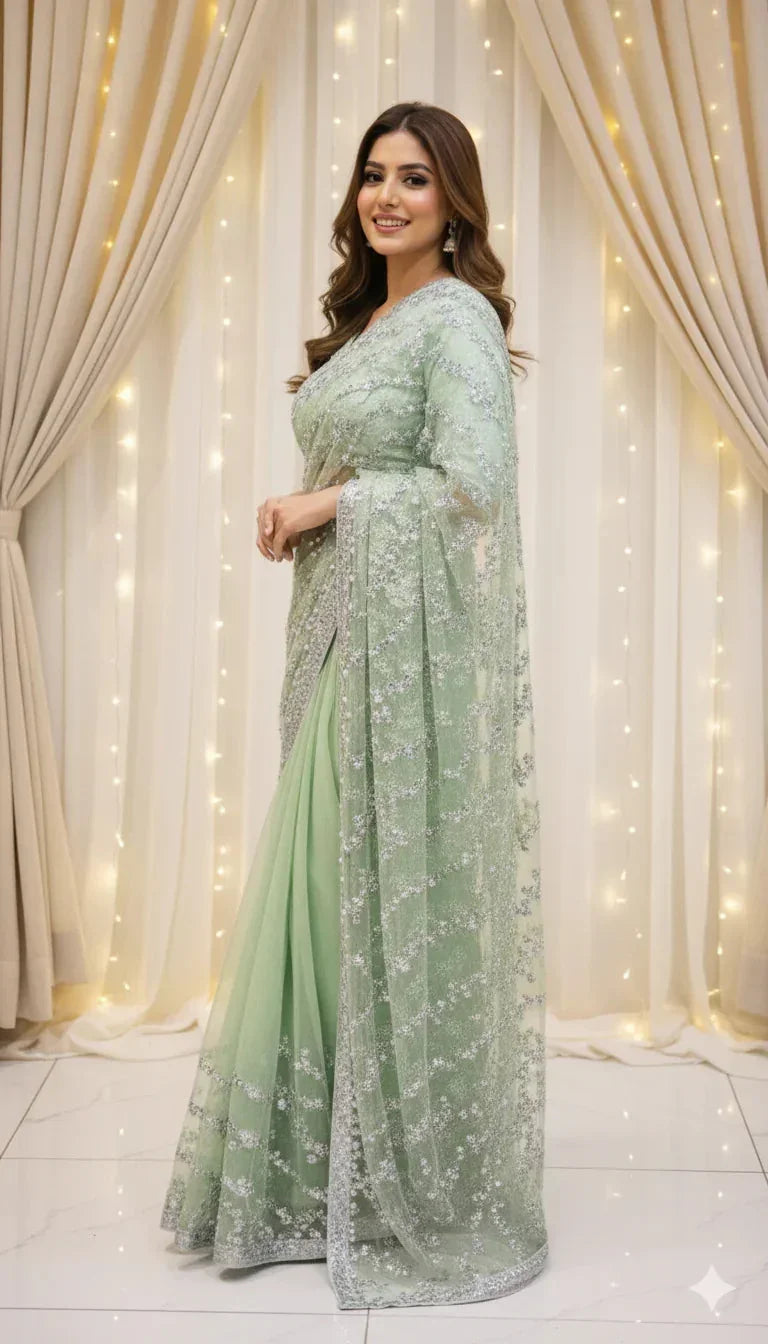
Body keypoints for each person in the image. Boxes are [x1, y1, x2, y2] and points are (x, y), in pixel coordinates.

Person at [161, 100, 548, 1311]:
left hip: (398, 659)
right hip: (337, 635)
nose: (388, 196)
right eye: (375, 175)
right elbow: (387, 468)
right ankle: (315, 1168)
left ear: (455, 203)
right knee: (325, 891)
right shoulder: (370, 319)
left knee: (360, 889)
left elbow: (475, 486)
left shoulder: (458, 318)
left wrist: (328, 505)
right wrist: (306, 509)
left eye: (416, 179)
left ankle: (391, 1173)